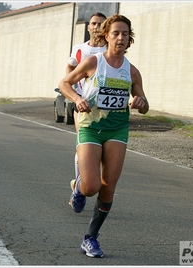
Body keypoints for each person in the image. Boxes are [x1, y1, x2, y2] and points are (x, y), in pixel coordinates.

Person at [58, 14, 149, 258]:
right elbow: (65, 83)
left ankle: (90, 238)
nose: (121, 37)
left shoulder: (132, 72)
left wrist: (140, 102)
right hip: (90, 126)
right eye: (116, 33)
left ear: (130, 39)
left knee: (108, 187)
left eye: (125, 34)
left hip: (117, 128)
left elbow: (145, 105)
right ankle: (78, 187)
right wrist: (77, 99)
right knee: (91, 187)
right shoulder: (93, 62)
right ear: (106, 36)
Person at [65, 12, 107, 186]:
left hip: (105, 108)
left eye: (100, 24)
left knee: (103, 150)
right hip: (83, 105)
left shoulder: (110, 50)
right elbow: (70, 67)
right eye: (93, 23)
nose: (96, 27)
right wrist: (75, 93)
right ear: (88, 27)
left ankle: (100, 183)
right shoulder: (80, 49)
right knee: (82, 145)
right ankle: (79, 184)